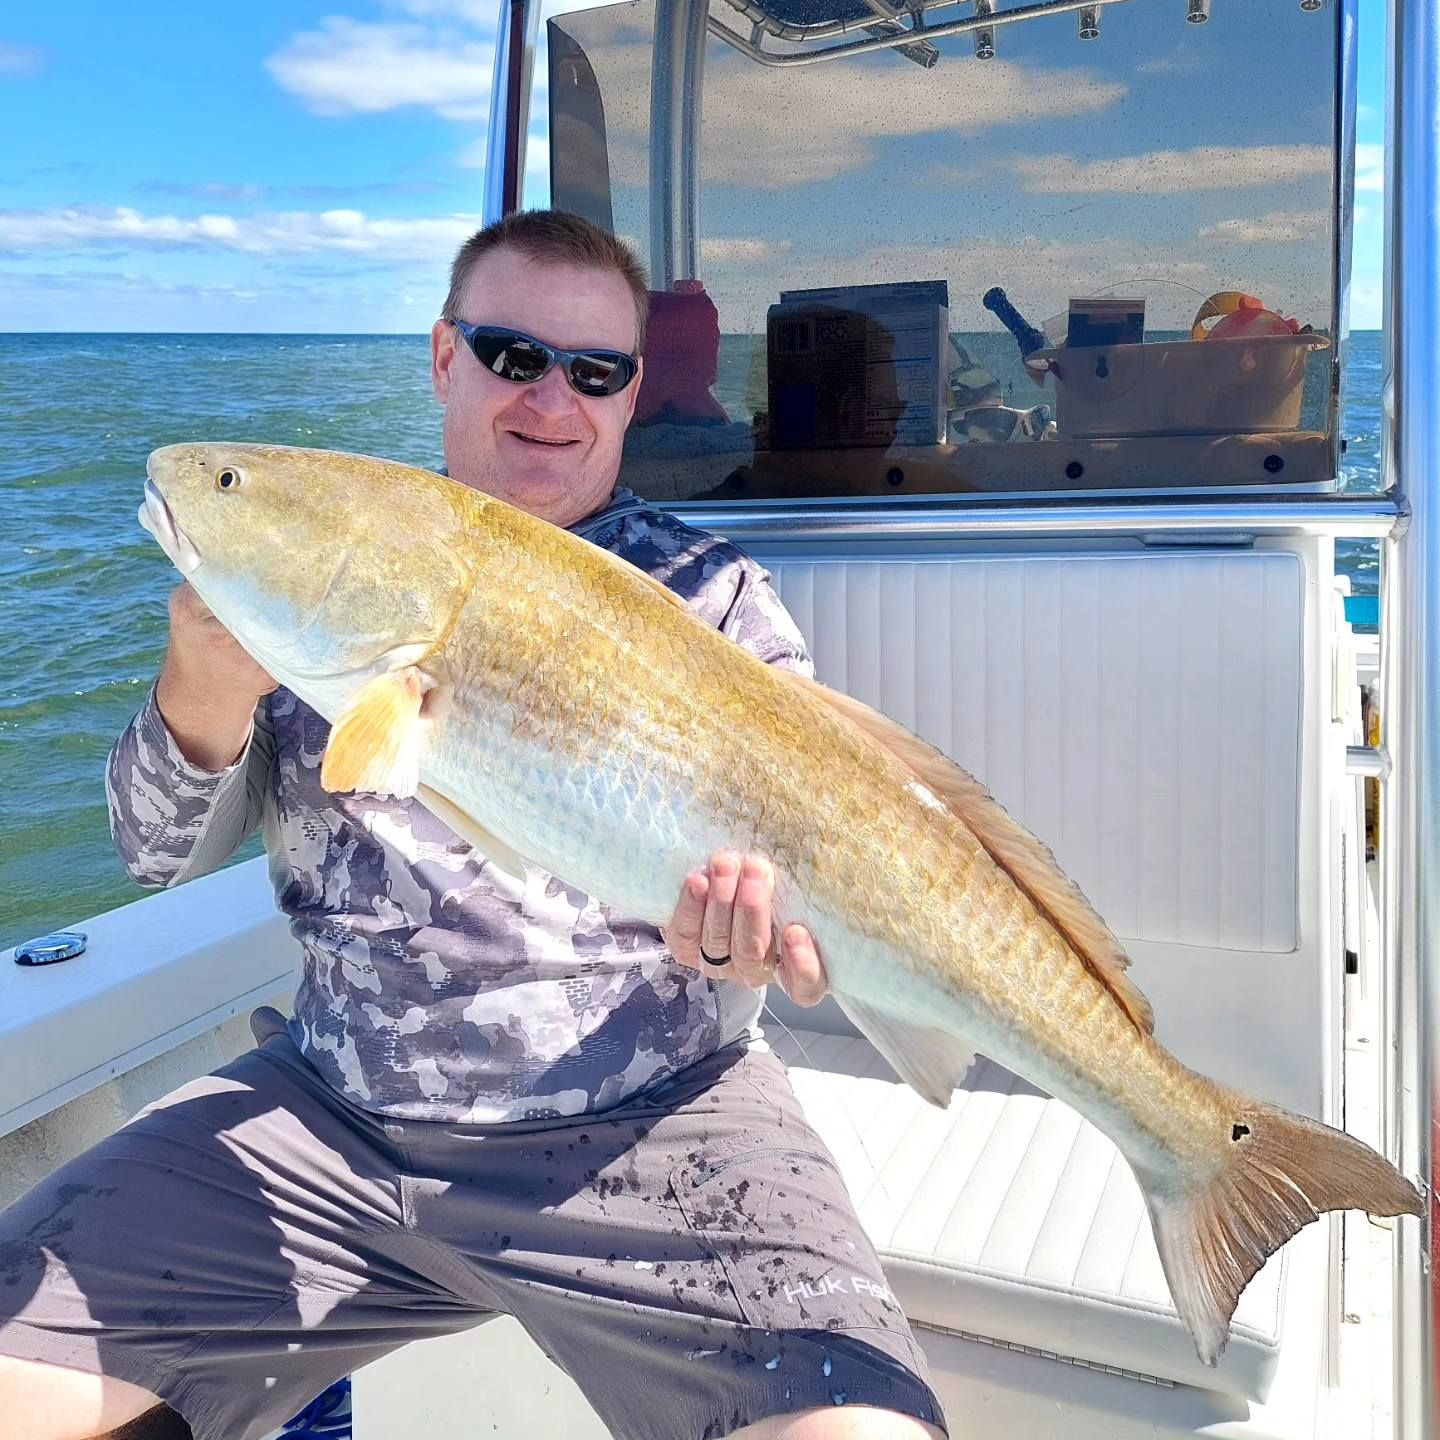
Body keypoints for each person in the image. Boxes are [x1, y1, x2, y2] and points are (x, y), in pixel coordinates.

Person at [0, 211, 946, 1440]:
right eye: (513, 354)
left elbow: (788, 874)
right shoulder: (330, 572)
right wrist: (202, 685)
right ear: (445, 356)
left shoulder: (717, 600)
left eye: (595, 371)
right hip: (333, 1115)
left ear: (630, 395)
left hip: (658, 1124)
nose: (554, 397)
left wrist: (742, 943)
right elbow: (150, 854)